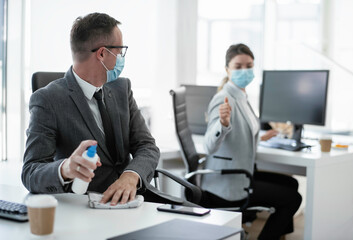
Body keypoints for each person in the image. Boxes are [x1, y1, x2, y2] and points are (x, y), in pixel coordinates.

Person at [21, 12, 181, 206]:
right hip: (89, 208)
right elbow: (31, 171)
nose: (122, 57)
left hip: (136, 201)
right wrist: (65, 168)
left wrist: (130, 176)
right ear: (103, 53)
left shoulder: (122, 89)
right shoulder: (48, 100)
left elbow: (147, 146)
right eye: (120, 51)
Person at [201, 43, 302, 240]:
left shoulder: (242, 97)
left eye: (249, 65)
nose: (244, 71)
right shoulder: (223, 99)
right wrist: (222, 123)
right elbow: (209, 146)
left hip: (243, 173)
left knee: (291, 183)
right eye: (238, 66)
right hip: (228, 183)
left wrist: (260, 137)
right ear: (227, 69)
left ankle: (278, 235)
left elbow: (242, 131)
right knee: (293, 199)